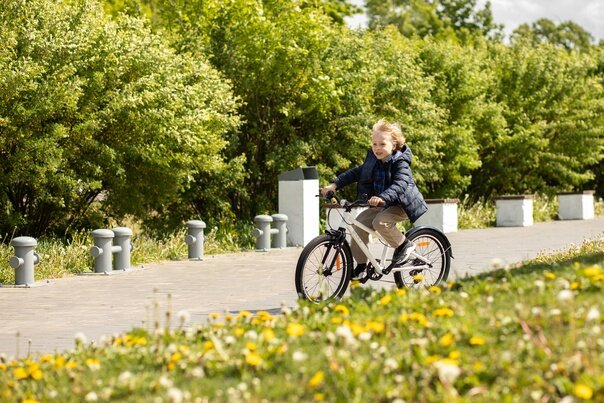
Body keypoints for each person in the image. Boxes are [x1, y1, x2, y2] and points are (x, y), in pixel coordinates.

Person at [320, 119, 428, 280]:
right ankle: (362, 265)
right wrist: (334, 185)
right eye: (374, 144)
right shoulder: (373, 160)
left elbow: (400, 184)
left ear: (394, 145)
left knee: (380, 222)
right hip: (381, 203)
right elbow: (355, 173)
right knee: (358, 226)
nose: (377, 148)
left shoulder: (401, 162)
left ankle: (405, 244)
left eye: (382, 144)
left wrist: (382, 197)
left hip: (401, 204)